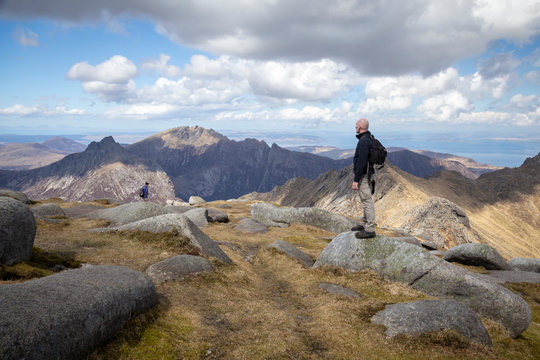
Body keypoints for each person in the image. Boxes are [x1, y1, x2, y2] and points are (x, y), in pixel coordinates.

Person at [351, 118, 376, 238]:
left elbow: (361, 162)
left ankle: (370, 229)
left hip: (364, 175)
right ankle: (364, 222)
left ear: (360, 127)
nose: (355, 126)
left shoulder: (363, 141)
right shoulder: (368, 138)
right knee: (365, 199)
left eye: (356, 125)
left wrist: (356, 180)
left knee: (367, 201)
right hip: (368, 173)